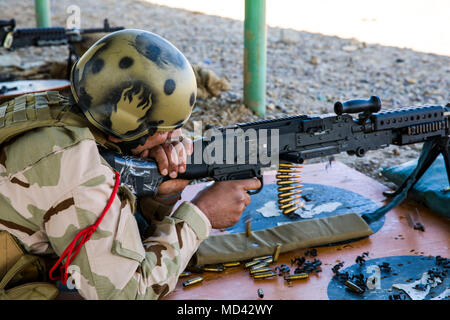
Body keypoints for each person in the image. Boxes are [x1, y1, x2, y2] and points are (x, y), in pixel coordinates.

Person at [0, 29, 260, 299]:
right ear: (126, 127)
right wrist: (202, 215)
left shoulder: (66, 108)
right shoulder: (81, 172)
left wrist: (161, 194)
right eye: (165, 129)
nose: (173, 138)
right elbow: (127, 294)